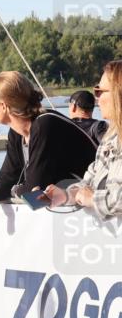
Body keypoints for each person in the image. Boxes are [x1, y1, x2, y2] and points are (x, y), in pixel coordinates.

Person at [0, 71, 98, 222]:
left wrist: (16, 189)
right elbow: (8, 177)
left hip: (92, 209)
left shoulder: (45, 125)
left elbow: (34, 191)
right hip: (73, 214)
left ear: (3, 106)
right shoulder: (17, 132)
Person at [45, 60, 122, 221]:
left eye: (99, 91)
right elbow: (88, 183)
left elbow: (93, 195)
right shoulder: (109, 140)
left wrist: (94, 199)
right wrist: (65, 195)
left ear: (118, 93)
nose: (97, 99)